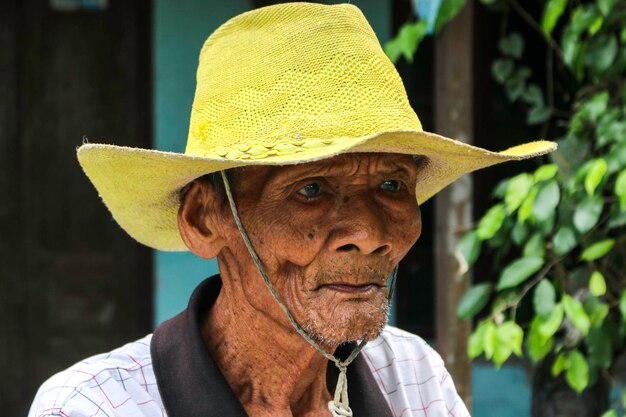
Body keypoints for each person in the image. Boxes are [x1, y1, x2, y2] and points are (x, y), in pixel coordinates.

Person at [28, 3, 555, 417]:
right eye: (310, 190)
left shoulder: (414, 377)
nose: (370, 234)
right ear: (204, 219)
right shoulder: (91, 408)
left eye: (393, 184)